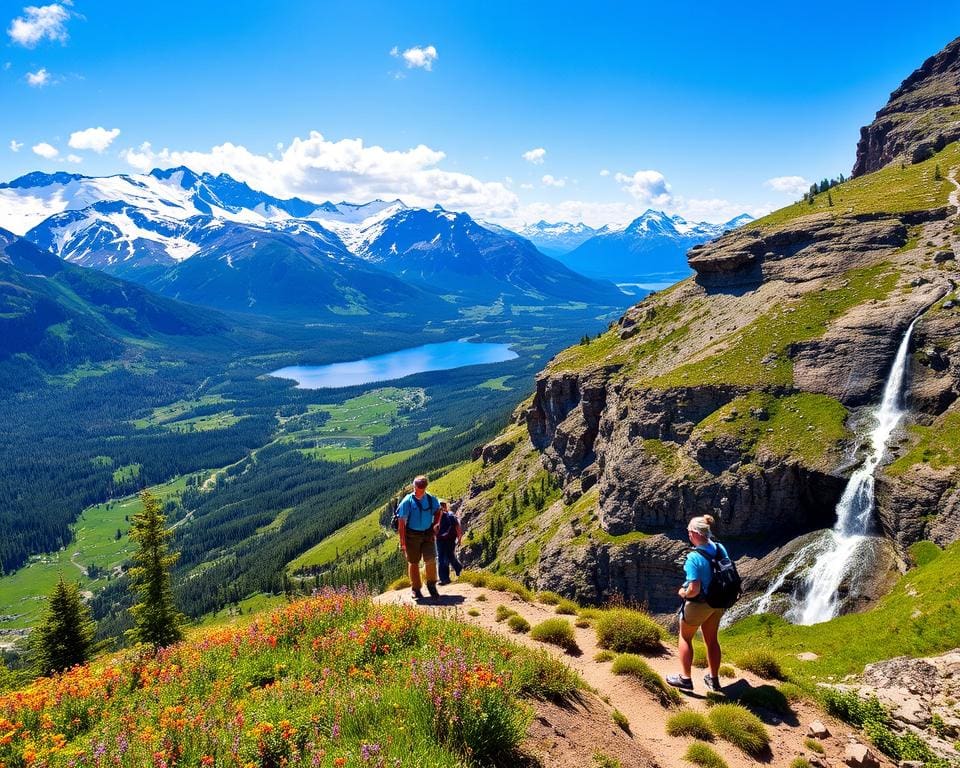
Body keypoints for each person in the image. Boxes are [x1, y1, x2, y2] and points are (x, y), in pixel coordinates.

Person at [666, 514, 728, 693]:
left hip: (700, 603)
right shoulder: (719, 548)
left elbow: (694, 588)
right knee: (712, 640)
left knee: (685, 637)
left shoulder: (694, 557)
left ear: (694, 533)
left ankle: (685, 679)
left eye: (688, 532)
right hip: (718, 602)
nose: (688, 535)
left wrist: (683, 592)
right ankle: (714, 680)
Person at [396, 475, 442, 600]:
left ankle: (431, 585)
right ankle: (416, 589)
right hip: (412, 536)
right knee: (414, 562)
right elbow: (401, 524)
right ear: (414, 486)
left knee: (431, 559)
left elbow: (438, 511)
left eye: (421, 489)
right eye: (417, 488)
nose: (418, 491)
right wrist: (403, 542)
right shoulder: (407, 501)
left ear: (425, 487)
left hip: (428, 534)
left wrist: (436, 524)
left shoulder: (431, 499)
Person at [434, 500, 462, 585]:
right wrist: (459, 538)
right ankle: (457, 568)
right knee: (448, 557)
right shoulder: (451, 515)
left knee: (443, 558)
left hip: (442, 540)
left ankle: (445, 579)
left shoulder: (440, 516)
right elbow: (458, 527)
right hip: (450, 539)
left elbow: (434, 529)